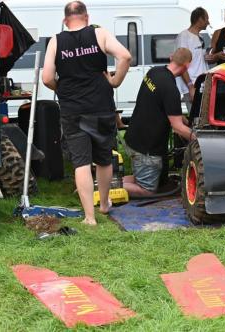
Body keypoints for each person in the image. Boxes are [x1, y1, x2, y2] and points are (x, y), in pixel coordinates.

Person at [42, 1, 132, 226]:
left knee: (81, 162)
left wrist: (60, 88)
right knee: (103, 157)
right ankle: (103, 204)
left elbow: (46, 78)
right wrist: (114, 81)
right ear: (87, 17)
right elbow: (125, 56)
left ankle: (89, 218)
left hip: (73, 109)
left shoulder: (56, 40)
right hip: (101, 106)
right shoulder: (99, 34)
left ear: (65, 21)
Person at [123, 48, 195, 197]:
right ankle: (101, 189)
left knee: (140, 179)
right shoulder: (171, 90)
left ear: (171, 57)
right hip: (146, 149)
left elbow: (161, 104)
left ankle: (103, 182)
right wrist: (198, 138)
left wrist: (186, 120)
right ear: (187, 66)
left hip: (133, 138)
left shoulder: (153, 72)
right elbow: (177, 128)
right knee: (147, 190)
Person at [175, 7, 210, 111]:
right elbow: (181, 63)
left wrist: (209, 56)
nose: (208, 22)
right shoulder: (184, 36)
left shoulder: (200, 37)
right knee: (195, 119)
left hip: (203, 84)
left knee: (204, 119)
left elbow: (198, 60)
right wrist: (190, 87)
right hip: (192, 85)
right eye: (206, 19)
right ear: (200, 19)